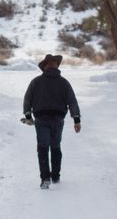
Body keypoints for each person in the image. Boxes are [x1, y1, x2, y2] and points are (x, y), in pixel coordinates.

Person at [23, 54, 81, 189]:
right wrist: (76, 120)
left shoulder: (36, 82)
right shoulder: (64, 82)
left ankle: (45, 179)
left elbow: (27, 100)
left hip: (41, 119)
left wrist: (28, 116)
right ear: (56, 66)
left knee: (42, 148)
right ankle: (55, 176)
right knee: (55, 147)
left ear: (45, 66)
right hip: (58, 119)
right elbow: (72, 101)